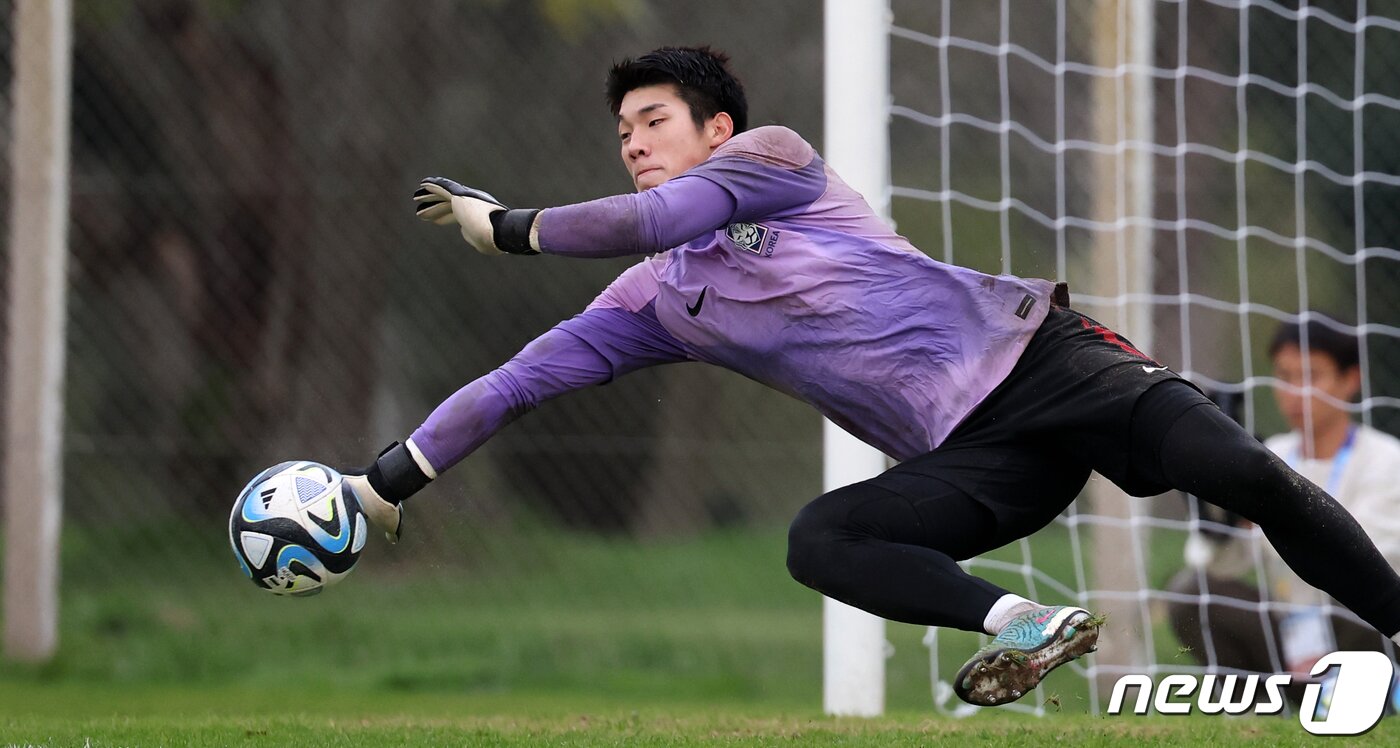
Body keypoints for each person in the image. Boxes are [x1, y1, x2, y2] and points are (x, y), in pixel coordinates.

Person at [339, 46, 1400, 707]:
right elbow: (522, 380)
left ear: (716, 129)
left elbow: (662, 213)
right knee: (819, 540)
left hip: (1040, 359)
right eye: (619, 132)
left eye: (650, 121)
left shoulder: (774, 160)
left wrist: (514, 228)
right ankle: (1017, 627)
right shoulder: (650, 300)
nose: (631, 145)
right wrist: (386, 482)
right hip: (969, 455)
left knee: (1239, 472)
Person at [1168, 321, 1400, 693]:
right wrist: (1221, 521)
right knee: (1191, 592)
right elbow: (1220, 567)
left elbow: (1369, 560)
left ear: (1350, 380)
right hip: (1289, 632)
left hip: (1362, 633)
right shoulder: (1269, 456)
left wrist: (1265, 523)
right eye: (1285, 376)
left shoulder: (1386, 459)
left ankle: (1367, 696)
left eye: (1311, 376)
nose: (1295, 393)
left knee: (1365, 611)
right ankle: (1262, 707)